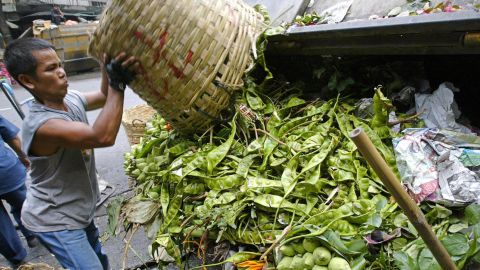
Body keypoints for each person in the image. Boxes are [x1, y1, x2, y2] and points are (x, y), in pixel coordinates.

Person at [4, 37, 137, 270]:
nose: (62, 72)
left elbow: (104, 97)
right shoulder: (42, 125)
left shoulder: (69, 99)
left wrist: (107, 68)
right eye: (51, 69)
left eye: (59, 65)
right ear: (27, 80)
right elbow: (102, 136)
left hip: (78, 210)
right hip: (55, 218)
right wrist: (118, 83)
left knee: (100, 262)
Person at [0, 114, 38, 269]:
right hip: (6, 170)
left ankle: (18, 258)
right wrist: (24, 156)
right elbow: (12, 137)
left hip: (6, 171)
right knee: (24, 201)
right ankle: (32, 233)